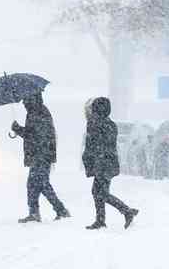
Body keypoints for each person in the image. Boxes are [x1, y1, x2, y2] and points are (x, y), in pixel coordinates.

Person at [11, 93, 70, 223]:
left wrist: (18, 129)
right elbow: (34, 134)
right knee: (37, 184)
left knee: (38, 184)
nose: (23, 103)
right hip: (41, 154)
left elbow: (34, 135)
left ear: (31, 99)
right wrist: (20, 130)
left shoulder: (37, 112)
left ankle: (54, 211)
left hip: (41, 155)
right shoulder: (38, 111)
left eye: (25, 100)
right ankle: (44, 212)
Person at [81, 97, 139, 230]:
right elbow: (105, 144)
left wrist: (91, 160)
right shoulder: (110, 123)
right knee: (99, 191)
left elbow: (92, 145)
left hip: (101, 163)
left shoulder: (94, 123)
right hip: (109, 163)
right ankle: (101, 220)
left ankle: (126, 211)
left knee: (100, 193)